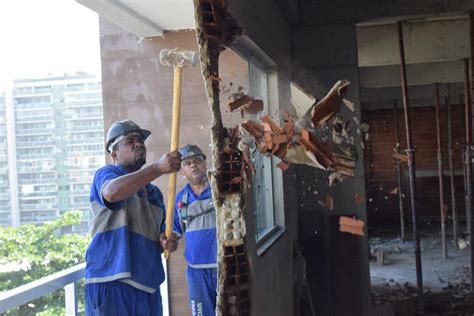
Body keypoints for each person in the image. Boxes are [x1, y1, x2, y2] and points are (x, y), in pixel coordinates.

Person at [85, 119, 181, 316]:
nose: (139, 144)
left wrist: (166, 241)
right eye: (130, 141)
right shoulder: (106, 174)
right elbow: (112, 193)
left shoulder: (154, 193)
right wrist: (157, 168)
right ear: (114, 154)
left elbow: (160, 237)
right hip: (112, 281)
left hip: (147, 285)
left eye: (141, 141)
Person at [173, 144, 217, 316]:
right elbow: (175, 232)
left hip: (223, 265)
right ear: (183, 172)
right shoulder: (180, 199)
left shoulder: (219, 188)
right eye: (187, 163)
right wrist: (167, 241)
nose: (193, 165)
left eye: (197, 161)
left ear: (205, 164)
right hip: (197, 271)